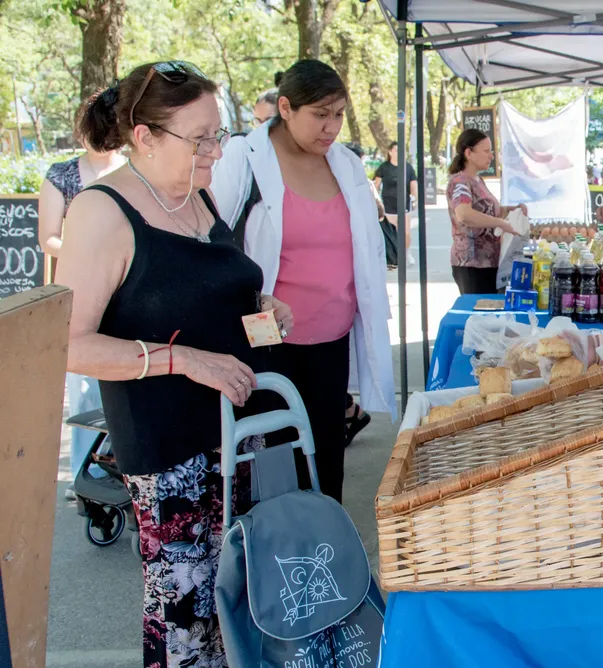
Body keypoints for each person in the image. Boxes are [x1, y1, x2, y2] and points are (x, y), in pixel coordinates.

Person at [57, 60, 295, 667]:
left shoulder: (197, 193)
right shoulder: (101, 212)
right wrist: (183, 359)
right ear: (145, 137)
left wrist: (260, 305)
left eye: (219, 134)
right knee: (187, 622)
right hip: (172, 457)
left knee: (248, 605)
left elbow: (211, 290)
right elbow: (66, 344)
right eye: (201, 139)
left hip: (240, 437)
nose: (216, 151)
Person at [213, 59, 394, 500]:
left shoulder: (346, 164)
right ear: (286, 107)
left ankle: (325, 545)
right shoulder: (246, 157)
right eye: (320, 115)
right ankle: (280, 549)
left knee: (328, 452)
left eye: (338, 115)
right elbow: (213, 235)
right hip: (270, 342)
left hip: (331, 337)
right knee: (277, 454)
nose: (330, 127)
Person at [38, 90, 126, 498]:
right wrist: (89, 249)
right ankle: (81, 477)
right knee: (85, 394)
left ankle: (124, 469)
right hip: (79, 295)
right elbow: (48, 238)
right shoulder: (62, 175)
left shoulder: (134, 172)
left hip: (126, 293)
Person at [447, 128, 526, 294]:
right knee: (478, 313)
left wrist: (513, 210)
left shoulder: (478, 180)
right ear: (469, 153)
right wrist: (500, 223)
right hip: (472, 264)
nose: (491, 156)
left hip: (489, 263)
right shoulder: (461, 182)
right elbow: (464, 214)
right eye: (486, 151)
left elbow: (488, 212)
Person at [374, 141, 417, 266]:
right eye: (396, 150)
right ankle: (393, 255)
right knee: (391, 232)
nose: (399, 153)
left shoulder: (407, 167)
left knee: (406, 232)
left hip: (404, 204)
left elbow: (413, 184)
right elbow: (376, 185)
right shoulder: (384, 167)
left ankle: (406, 252)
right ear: (390, 151)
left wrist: (414, 198)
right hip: (388, 203)